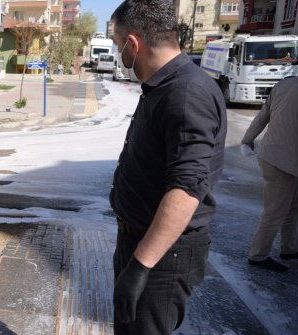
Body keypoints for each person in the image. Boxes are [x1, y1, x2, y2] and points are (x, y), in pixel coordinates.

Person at [108, 1, 227, 334]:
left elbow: (187, 188)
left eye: (119, 47)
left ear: (133, 44)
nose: (120, 56)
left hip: (162, 256)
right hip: (142, 245)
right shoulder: (165, 86)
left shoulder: (186, 93)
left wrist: (140, 267)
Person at [241, 76, 298, 272]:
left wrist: (247, 139)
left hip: (273, 156)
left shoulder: (285, 84)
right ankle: (258, 255)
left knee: (291, 207)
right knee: (275, 211)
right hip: (284, 161)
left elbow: (262, 116)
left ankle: (289, 249)